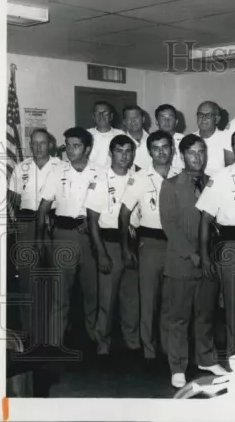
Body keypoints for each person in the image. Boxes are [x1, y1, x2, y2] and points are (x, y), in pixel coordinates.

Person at [159, 134, 228, 388]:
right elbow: (170, 226)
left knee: (206, 314)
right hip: (181, 261)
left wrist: (209, 255)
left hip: (209, 260)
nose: (197, 157)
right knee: (179, 317)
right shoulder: (171, 185)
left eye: (201, 152)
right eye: (191, 153)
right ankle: (177, 366)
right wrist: (192, 254)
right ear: (182, 156)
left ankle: (206, 359)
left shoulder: (213, 183)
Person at [119, 130, 182, 365]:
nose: (161, 152)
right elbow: (124, 214)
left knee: (171, 299)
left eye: (165, 147)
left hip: (176, 246)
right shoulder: (141, 178)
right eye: (156, 148)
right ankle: (148, 351)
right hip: (151, 244)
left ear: (172, 149)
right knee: (148, 299)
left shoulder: (181, 176)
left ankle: (168, 348)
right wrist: (127, 247)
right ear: (149, 152)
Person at [36, 127, 101, 349]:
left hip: (91, 237)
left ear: (88, 148)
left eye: (76, 146)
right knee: (60, 292)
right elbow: (44, 206)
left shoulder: (100, 172)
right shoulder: (57, 172)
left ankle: (95, 338)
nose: (71, 150)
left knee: (93, 292)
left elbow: (110, 208)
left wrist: (94, 224)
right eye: (68, 145)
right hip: (63, 236)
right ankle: (55, 342)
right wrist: (40, 239)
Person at [196, 128, 235, 358]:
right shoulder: (221, 177)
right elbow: (205, 220)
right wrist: (204, 257)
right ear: (232, 149)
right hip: (231, 244)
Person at [84, 135, 141, 358]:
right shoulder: (100, 180)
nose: (124, 155)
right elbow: (91, 220)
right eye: (119, 151)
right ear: (110, 153)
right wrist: (101, 254)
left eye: (128, 151)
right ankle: (103, 342)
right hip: (110, 242)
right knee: (107, 297)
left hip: (134, 242)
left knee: (132, 297)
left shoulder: (138, 178)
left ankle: (132, 341)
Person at [7, 128, 62, 343]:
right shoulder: (21, 168)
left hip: (55, 223)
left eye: (42, 142)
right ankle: (30, 333)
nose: (38, 147)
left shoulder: (61, 167)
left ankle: (55, 332)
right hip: (27, 224)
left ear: (50, 144)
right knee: (28, 280)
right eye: (34, 143)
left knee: (56, 279)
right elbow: (12, 198)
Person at [192, 101, 229, 178]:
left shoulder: (227, 138)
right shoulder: (190, 139)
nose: (203, 118)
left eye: (208, 115)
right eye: (200, 115)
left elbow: (231, 170)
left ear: (217, 119)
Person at [87, 101, 123, 168]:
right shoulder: (86, 134)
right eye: (97, 113)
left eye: (105, 113)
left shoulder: (121, 135)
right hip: (90, 175)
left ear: (111, 116)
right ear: (93, 116)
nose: (101, 116)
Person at [154, 104, 185, 171]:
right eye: (162, 118)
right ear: (157, 122)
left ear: (176, 121)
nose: (167, 121)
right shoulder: (151, 141)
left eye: (170, 117)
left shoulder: (185, 140)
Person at [123, 105, 150, 170]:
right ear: (124, 122)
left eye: (136, 118)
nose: (133, 121)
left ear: (143, 119)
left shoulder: (153, 140)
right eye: (129, 118)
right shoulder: (119, 142)